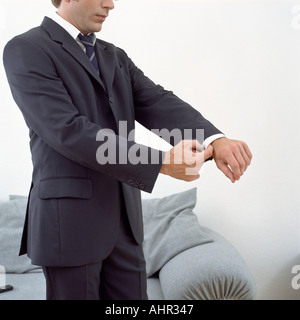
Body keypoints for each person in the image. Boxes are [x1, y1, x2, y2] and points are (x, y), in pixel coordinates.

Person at [3, 0, 252, 300]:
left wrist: (215, 140)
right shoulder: (26, 49)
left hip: (126, 226)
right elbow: (67, 131)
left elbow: (157, 102)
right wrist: (159, 162)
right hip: (69, 225)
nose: (111, 4)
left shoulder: (114, 56)